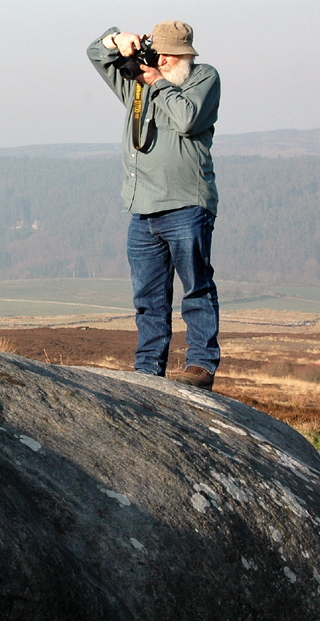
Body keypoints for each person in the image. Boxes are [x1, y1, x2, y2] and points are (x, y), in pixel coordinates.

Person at [86, 21, 220, 389]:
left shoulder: (203, 78)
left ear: (185, 55)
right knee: (148, 297)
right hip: (142, 209)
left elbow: (188, 120)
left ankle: (201, 365)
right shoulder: (136, 84)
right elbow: (95, 54)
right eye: (155, 53)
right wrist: (117, 40)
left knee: (196, 287)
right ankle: (148, 370)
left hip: (187, 205)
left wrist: (157, 83)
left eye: (167, 55)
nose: (160, 60)